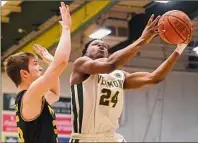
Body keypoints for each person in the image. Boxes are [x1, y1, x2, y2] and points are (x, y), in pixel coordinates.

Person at [69, 14, 193, 142]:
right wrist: (142, 40)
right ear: (85, 52)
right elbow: (110, 64)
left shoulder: (119, 75)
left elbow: (154, 77)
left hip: (111, 138)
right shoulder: (81, 64)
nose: (101, 46)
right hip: (85, 138)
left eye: (105, 46)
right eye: (95, 44)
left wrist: (179, 49)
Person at [4, 2, 72, 143]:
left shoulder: (32, 96)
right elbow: (62, 62)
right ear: (24, 74)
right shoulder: (31, 94)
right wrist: (66, 28)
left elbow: (55, 94)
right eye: (35, 64)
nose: (40, 67)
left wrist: (49, 60)